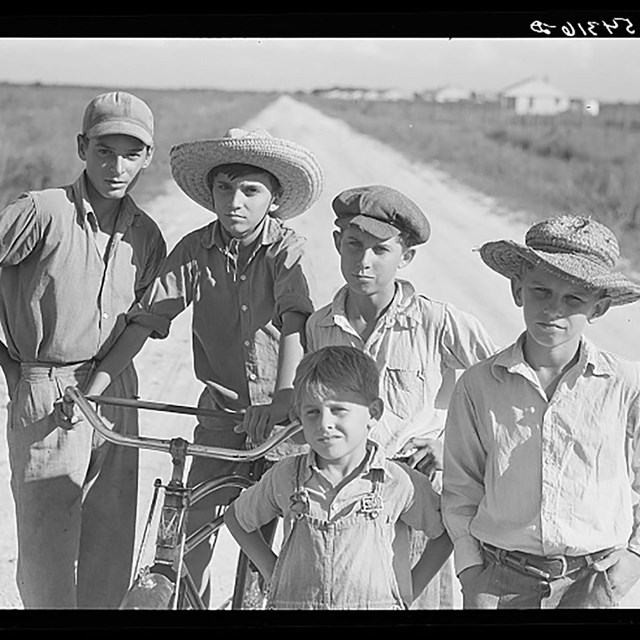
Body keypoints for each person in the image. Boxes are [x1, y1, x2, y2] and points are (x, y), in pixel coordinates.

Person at [82, 127, 324, 608]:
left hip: (285, 424)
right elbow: (149, 318)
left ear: (273, 199)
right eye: (224, 188)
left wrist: (279, 403)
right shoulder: (195, 249)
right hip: (222, 414)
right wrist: (96, 386)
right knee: (191, 530)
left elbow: (294, 319)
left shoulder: (286, 250)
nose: (235, 201)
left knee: (288, 542)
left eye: (250, 190)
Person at [0, 91, 167, 608]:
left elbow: (142, 320)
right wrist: (10, 365)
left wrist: (103, 387)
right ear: (81, 147)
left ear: (148, 158)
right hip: (47, 389)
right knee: (48, 548)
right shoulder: (41, 212)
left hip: (117, 390)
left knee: (111, 538)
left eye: (131, 154)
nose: (117, 167)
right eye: (104, 151)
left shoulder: (147, 234)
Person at [304, 184, 497, 608]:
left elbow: (506, 388)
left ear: (406, 258)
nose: (363, 261)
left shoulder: (438, 322)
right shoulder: (320, 327)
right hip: (343, 502)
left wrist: (452, 446)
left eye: (381, 250)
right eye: (353, 245)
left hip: (414, 498)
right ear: (337, 243)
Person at [442, 214, 640, 609]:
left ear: (598, 309)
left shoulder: (625, 384)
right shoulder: (479, 384)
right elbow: (461, 486)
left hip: (592, 581)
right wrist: (470, 571)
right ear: (518, 290)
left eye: (573, 299)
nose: (553, 310)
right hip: (498, 579)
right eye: (540, 291)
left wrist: (635, 556)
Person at [224, 345, 452, 609]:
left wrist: (409, 590)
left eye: (339, 410)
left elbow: (444, 531)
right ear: (299, 415)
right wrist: (271, 571)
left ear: (373, 412)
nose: (324, 424)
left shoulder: (397, 482)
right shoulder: (286, 477)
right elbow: (237, 518)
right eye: (313, 412)